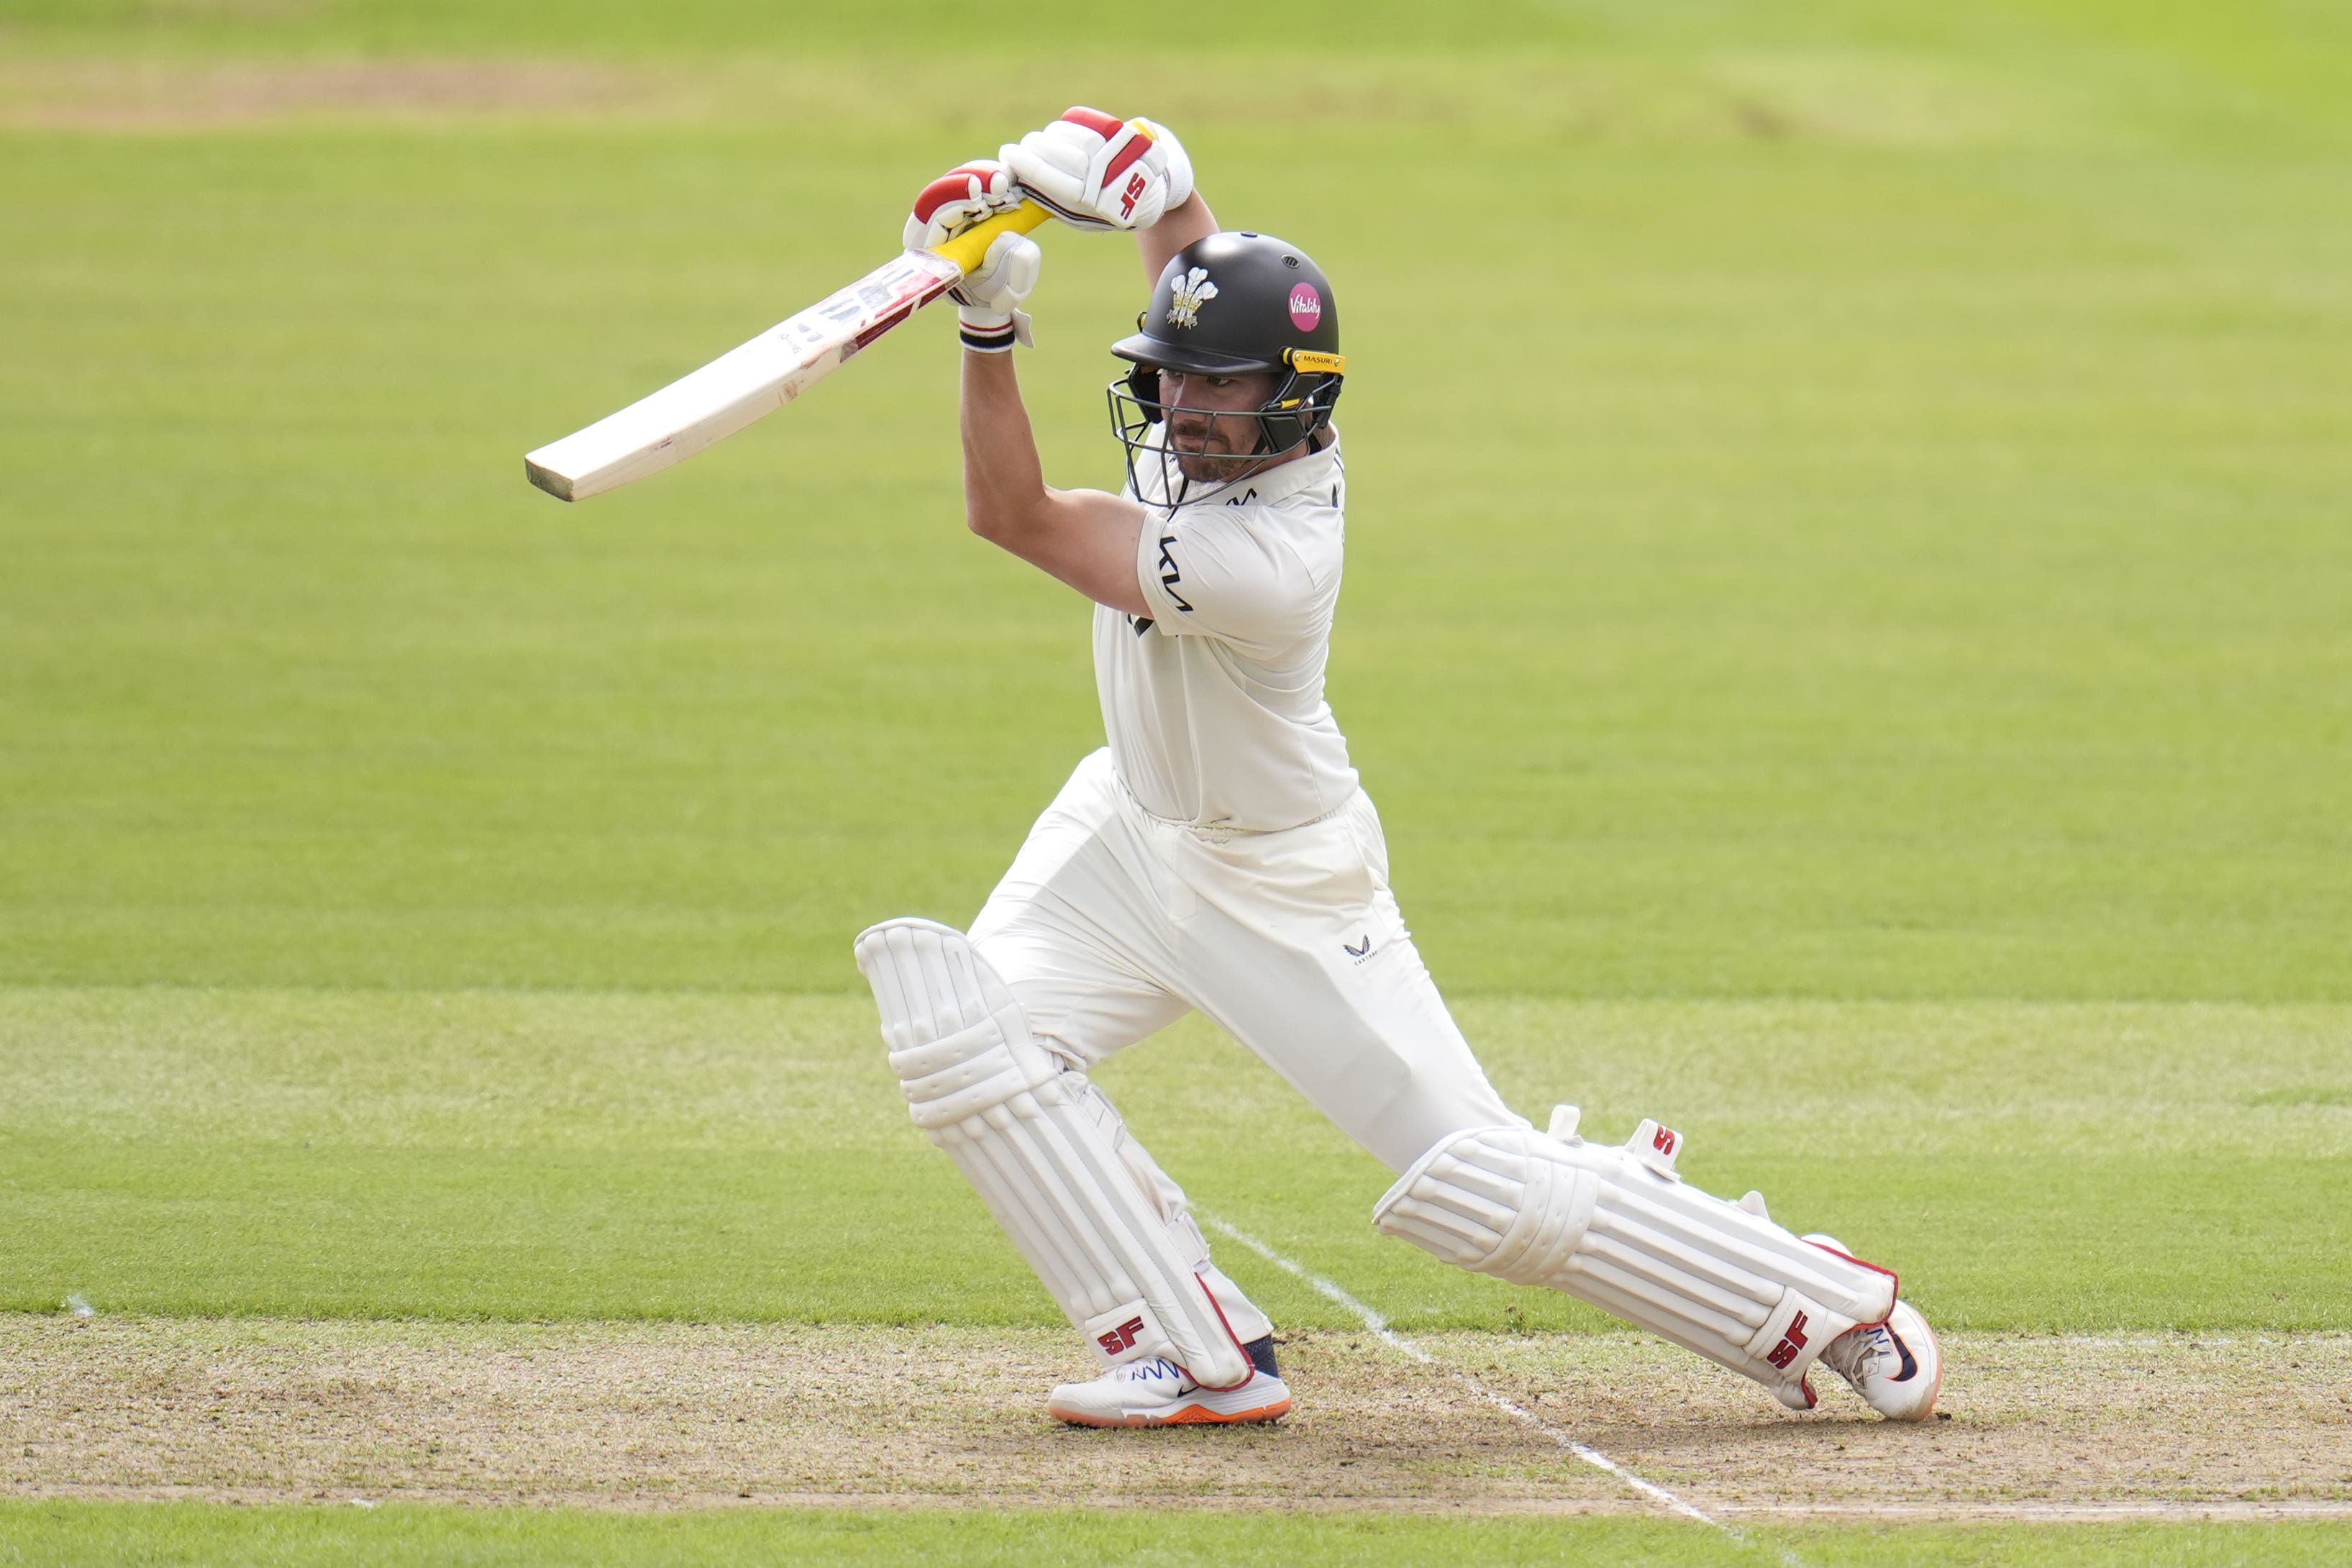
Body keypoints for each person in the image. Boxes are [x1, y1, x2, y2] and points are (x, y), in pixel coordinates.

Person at [854, 109, 1941, 1430]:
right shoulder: (1225, 412)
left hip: (1281, 882)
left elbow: (1009, 514)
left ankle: (1817, 1293)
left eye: (1216, 388)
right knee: (967, 1036)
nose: (1184, 408)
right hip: (1126, 833)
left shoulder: (1271, 560)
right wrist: (1163, 187)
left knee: (1476, 1186)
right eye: (1170, 377)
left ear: (1293, 396)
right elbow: (1210, 286)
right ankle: (1195, 1355)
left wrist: (984, 327)